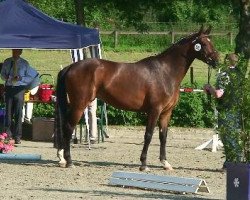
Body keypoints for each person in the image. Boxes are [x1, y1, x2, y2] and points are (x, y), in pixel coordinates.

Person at [204, 53, 242, 167]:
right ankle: (235, 161)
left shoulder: (224, 74)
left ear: (226, 61)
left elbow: (218, 94)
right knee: (235, 135)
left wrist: (209, 88)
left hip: (226, 109)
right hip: (237, 108)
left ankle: (232, 163)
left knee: (227, 137)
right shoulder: (240, 74)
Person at [1, 49, 38, 144]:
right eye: (13, 51)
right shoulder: (7, 61)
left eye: (17, 51)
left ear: (20, 52)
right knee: (8, 113)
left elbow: (30, 77)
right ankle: (7, 135)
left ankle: (17, 136)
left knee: (18, 113)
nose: (14, 53)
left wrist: (21, 78)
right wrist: (7, 77)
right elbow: (2, 75)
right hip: (9, 88)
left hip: (19, 89)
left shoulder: (25, 63)